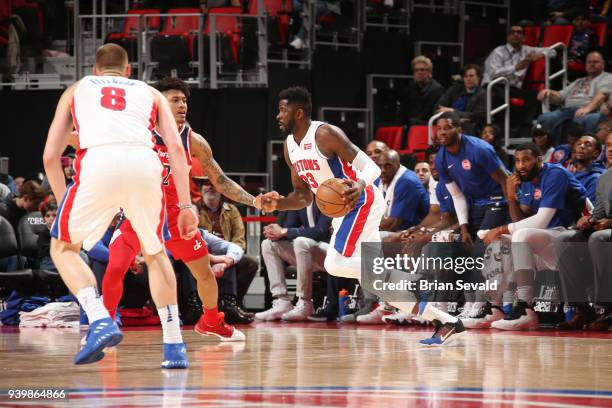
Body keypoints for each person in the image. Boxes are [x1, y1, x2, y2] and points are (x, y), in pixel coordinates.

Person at [263, 86, 465, 345]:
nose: (278, 116)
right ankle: (447, 322)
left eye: (282, 110)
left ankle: (414, 280)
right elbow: (302, 196)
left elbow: (370, 167)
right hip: (343, 211)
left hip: (362, 201)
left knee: (334, 263)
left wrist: (358, 184)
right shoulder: (290, 146)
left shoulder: (325, 134)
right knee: (379, 284)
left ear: (298, 112)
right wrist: (277, 204)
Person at [42, 44, 199, 367]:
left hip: (98, 162)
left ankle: (100, 318)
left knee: (63, 248)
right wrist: (186, 205)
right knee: (155, 253)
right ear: (129, 71)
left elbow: (49, 157)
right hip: (145, 164)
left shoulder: (77, 89)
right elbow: (177, 152)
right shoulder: (150, 93)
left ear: (95, 71)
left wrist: (63, 209)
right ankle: (174, 347)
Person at [101, 77, 264, 342]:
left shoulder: (193, 140)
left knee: (205, 275)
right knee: (115, 266)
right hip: (141, 213)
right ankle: (104, 328)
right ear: (158, 103)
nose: (182, 105)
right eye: (174, 100)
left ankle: (211, 321)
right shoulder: (138, 132)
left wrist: (254, 200)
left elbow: (220, 180)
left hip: (177, 219)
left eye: (184, 100)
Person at [483, 143, 586, 330]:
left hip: (571, 235)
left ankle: (525, 307)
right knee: (499, 242)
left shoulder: (556, 174)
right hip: (548, 237)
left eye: (526, 160)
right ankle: (495, 307)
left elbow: (541, 221)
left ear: (539, 160)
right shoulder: (528, 181)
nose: (521, 165)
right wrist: (511, 198)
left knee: (515, 234)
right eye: (518, 161)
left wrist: (500, 229)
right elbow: (521, 219)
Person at [555, 131, 612, 330]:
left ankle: (607, 308)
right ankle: (581, 308)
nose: (611, 149)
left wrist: (609, 223)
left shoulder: (597, 175)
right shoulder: (605, 178)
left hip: (608, 231)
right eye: (608, 144)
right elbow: (599, 213)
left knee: (599, 238)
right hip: (604, 228)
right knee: (565, 239)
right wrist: (589, 220)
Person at [255, 205, 332, 321]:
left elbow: (320, 232)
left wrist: (284, 231)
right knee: (268, 244)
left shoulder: (325, 195)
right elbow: (287, 229)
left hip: (331, 253)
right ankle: (282, 301)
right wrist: (274, 231)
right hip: (307, 252)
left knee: (301, 241)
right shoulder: (301, 200)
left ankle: (305, 302)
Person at [537, 51, 612, 143]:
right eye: (589, 62)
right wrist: (548, 92)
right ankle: (554, 150)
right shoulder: (579, 81)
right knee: (546, 118)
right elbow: (560, 97)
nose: (592, 64)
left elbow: (602, 95)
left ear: (603, 64)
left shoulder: (607, 77)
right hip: (567, 110)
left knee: (581, 120)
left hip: (589, 111)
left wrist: (587, 108)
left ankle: (573, 150)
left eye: (595, 62)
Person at [376, 149, 429, 232]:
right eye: (380, 166)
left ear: (397, 165)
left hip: (415, 232)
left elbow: (392, 224)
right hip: (400, 231)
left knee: (365, 242)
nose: (383, 170)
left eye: (388, 166)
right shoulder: (386, 178)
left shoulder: (406, 181)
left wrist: (365, 229)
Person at [436, 64, 486, 135]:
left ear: (479, 78)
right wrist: (456, 119)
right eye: (465, 76)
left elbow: (478, 115)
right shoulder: (454, 90)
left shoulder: (483, 94)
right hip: (450, 123)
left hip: (471, 128)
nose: (468, 79)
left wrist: (453, 111)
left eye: (471, 76)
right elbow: (438, 107)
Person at [400, 56, 445, 127]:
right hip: (413, 123)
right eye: (416, 70)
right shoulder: (410, 88)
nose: (419, 72)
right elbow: (404, 111)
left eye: (422, 70)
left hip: (429, 124)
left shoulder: (436, 89)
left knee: (412, 122)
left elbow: (429, 114)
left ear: (430, 72)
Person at [570, 134, 605, 203]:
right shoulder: (571, 173)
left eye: (588, 144)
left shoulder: (596, 178)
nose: (582, 146)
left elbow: (588, 211)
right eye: (579, 143)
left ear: (596, 153)